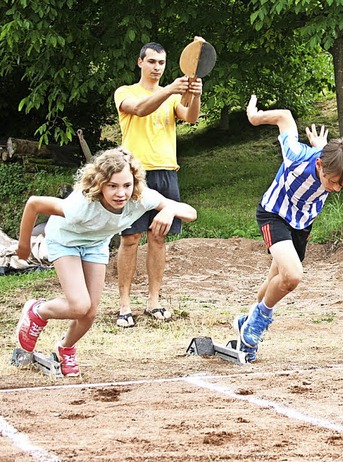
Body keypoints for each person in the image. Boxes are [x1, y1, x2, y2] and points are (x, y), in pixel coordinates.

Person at [14, 148, 197, 376]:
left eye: (127, 185)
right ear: (100, 183)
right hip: (65, 240)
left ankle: (66, 347)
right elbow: (34, 204)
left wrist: (169, 210)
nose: (121, 193)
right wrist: (23, 246)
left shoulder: (141, 197)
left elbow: (190, 213)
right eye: (113, 186)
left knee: (89, 313)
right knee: (79, 305)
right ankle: (37, 311)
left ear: (134, 183)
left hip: (96, 244)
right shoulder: (81, 205)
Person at [235, 94, 343, 362]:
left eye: (342, 185)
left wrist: (324, 148)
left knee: (276, 279)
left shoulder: (331, 164)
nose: (336, 188)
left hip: (302, 224)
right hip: (275, 214)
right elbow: (285, 117)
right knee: (292, 276)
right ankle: (258, 322)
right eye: (334, 182)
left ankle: (247, 324)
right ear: (319, 165)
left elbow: (336, 165)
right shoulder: (296, 155)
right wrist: (254, 117)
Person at [113, 41, 202, 327]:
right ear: (140, 62)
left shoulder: (173, 95)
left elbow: (190, 116)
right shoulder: (125, 93)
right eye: (151, 62)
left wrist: (194, 95)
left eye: (161, 63)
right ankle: (124, 305)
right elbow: (139, 110)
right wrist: (171, 90)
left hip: (166, 172)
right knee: (130, 239)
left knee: (158, 237)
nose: (156, 67)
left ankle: (154, 302)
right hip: (133, 176)